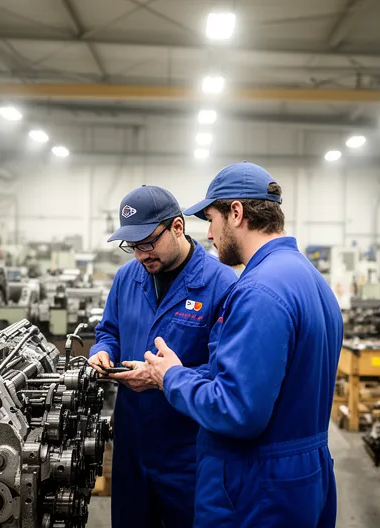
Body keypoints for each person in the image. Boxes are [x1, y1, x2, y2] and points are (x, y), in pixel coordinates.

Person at [143, 162, 343, 527]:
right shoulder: (310, 279)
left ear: (236, 213)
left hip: (257, 488)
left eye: (211, 219)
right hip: (301, 477)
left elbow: (237, 411)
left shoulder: (260, 291)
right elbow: (259, 379)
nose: (208, 235)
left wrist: (172, 377)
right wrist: (186, 371)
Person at [88, 185, 237, 527]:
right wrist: (102, 353)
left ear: (178, 227)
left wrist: (162, 379)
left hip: (187, 450)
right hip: (131, 444)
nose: (140, 255)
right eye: (132, 246)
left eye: (148, 243)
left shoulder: (220, 284)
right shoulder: (127, 277)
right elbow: (108, 331)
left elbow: (223, 372)